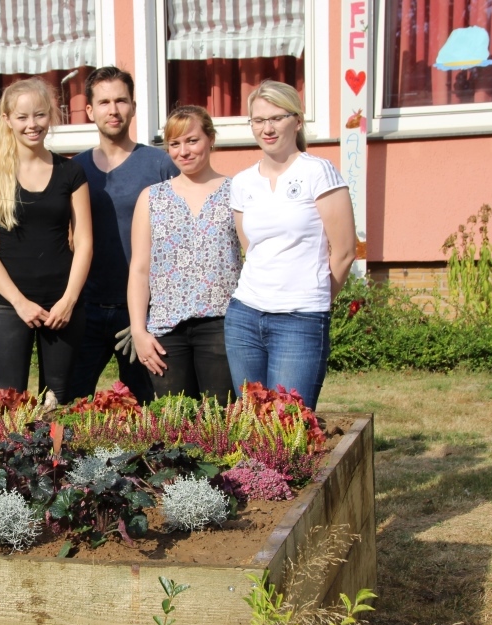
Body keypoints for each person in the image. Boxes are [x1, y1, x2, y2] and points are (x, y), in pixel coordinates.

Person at [225, 80, 356, 409]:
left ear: (297, 121)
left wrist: (314, 300)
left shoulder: (318, 172)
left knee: (288, 427)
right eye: (258, 120)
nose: (267, 128)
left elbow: (343, 252)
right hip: (245, 317)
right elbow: (249, 248)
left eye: (277, 118)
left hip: (300, 320)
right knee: (251, 424)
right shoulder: (242, 183)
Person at [0, 78, 93, 407]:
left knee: (59, 404)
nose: (32, 125)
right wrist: (19, 303)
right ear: (7, 120)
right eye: (22, 117)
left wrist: (68, 301)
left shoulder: (71, 173)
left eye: (39, 115)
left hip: (62, 307)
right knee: (8, 406)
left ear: (50, 116)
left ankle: (59, 460)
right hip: (10, 306)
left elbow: (84, 242)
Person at [67, 67, 178, 404]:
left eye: (120, 101)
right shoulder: (75, 169)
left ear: (132, 106)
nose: (112, 110)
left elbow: (177, 239)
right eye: (103, 102)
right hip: (87, 308)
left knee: (149, 406)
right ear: (89, 111)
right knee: (71, 403)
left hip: (143, 310)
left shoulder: (160, 164)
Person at [128, 106, 241, 404]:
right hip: (166, 330)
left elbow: (253, 256)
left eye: (192, 140)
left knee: (220, 421)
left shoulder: (237, 192)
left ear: (211, 139)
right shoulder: (152, 197)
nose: (183, 151)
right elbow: (139, 270)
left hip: (221, 324)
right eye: (174, 144)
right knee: (174, 422)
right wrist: (139, 331)